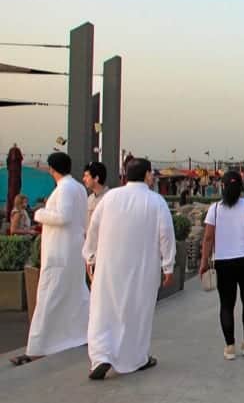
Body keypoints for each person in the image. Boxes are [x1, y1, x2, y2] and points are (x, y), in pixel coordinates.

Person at [82, 158, 175, 380]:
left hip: (108, 266)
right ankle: (136, 358)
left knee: (103, 311)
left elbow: (93, 228)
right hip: (142, 268)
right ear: (147, 175)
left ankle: (101, 356)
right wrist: (168, 265)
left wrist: (90, 256)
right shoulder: (156, 201)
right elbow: (166, 234)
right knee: (137, 312)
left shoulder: (110, 197)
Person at [10, 152, 89, 367]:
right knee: (76, 295)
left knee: (49, 296)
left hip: (59, 252)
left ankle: (38, 347)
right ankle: (82, 334)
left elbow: (63, 217)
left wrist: (40, 213)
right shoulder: (79, 189)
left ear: (52, 169)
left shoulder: (65, 189)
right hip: (72, 250)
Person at [200, 171, 244, 360]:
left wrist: (204, 262)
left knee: (226, 305)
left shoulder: (214, 209)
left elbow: (208, 238)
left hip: (223, 262)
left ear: (223, 186)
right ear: (241, 187)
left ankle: (229, 347)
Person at [82, 162, 109, 231]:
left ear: (96, 178)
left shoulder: (109, 198)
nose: (83, 179)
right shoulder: (90, 198)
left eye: (87, 176)